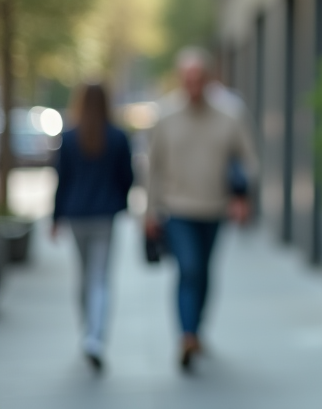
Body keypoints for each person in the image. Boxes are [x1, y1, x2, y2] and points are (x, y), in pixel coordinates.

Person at [145, 47, 258, 370]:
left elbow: (248, 161)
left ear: (209, 79)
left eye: (198, 78)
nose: (192, 85)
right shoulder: (166, 116)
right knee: (189, 269)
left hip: (215, 208)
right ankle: (187, 336)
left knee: (204, 272)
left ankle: (196, 329)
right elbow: (153, 167)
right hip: (177, 208)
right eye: (187, 78)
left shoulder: (230, 114)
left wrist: (242, 197)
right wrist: (149, 210)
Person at [51, 83, 134, 373]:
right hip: (104, 216)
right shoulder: (118, 137)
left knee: (85, 275)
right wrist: (120, 201)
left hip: (77, 215)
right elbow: (128, 177)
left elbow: (61, 181)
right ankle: (94, 336)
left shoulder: (70, 138)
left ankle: (88, 331)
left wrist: (56, 217)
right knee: (99, 277)